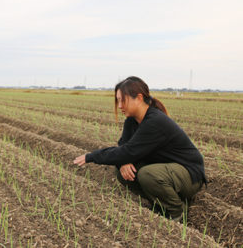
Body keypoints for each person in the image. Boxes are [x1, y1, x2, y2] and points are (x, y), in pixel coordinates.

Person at [74, 76, 206, 221]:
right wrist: (123, 162)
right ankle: (159, 205)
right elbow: (124, 147)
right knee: (123, 171)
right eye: (118, 100)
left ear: (138, 98)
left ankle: (176, 211)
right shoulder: (132, 120)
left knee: (147, 174)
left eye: (123, 100)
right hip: (166, 169)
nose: (119, 106)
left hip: (189, 174)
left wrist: (91, 156)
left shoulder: (155, 121)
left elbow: (127, 152)